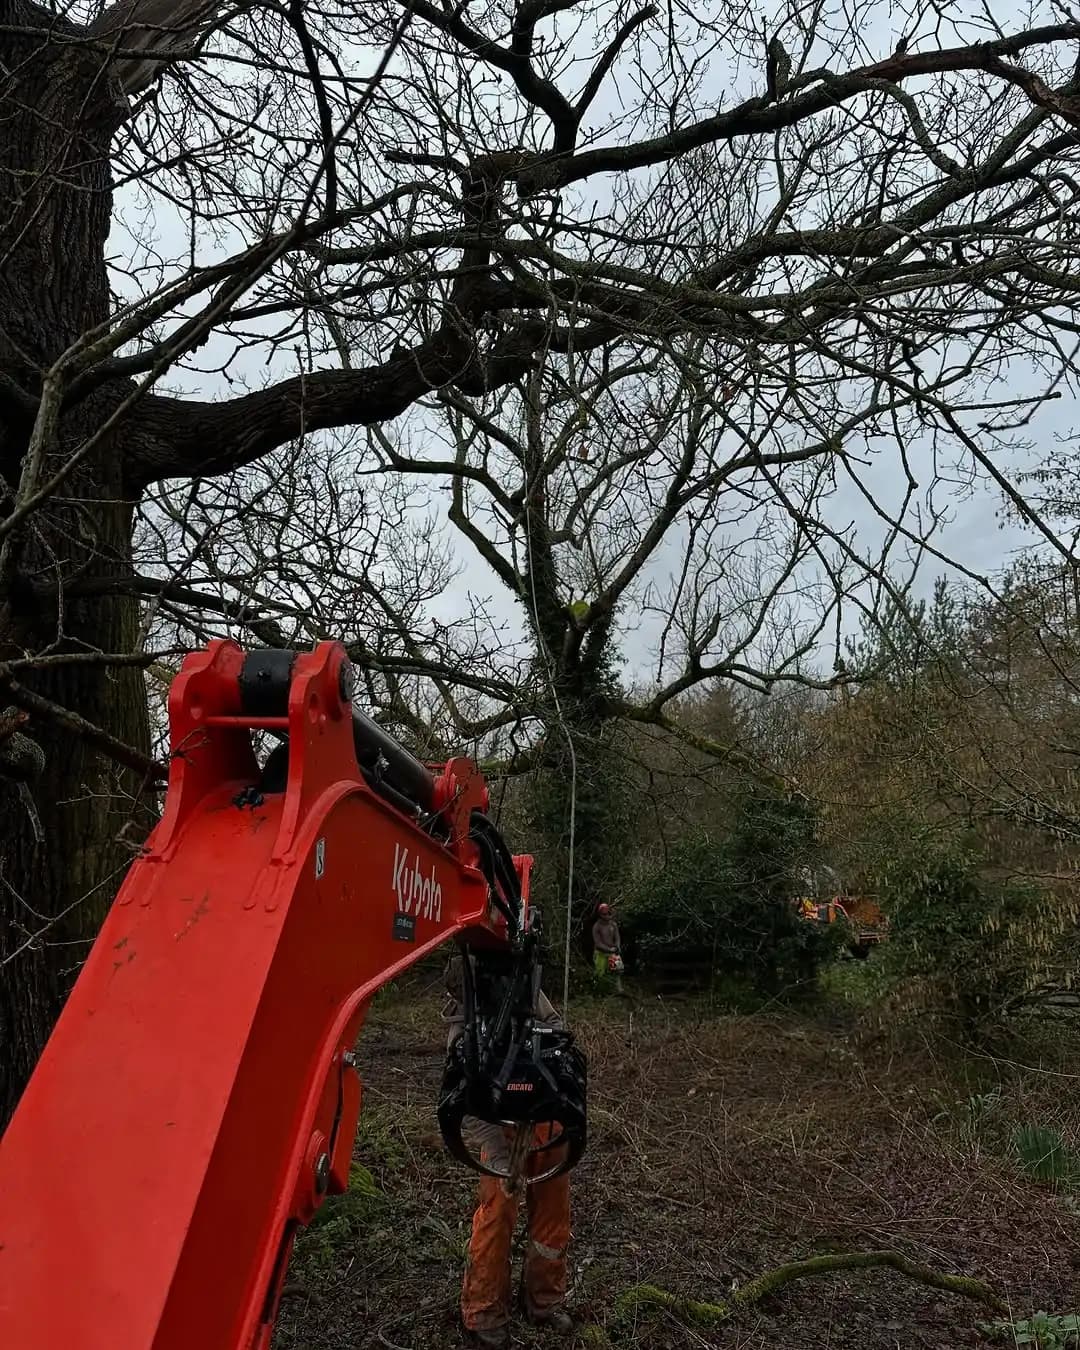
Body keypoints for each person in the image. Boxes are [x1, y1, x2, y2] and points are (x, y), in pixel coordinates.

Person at [444, 958, 574, 1349]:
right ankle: (483, 1309)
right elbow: (461, 1095)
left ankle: (545, 1300)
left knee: (553, 1214)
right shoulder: (465, 1019)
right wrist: (498, 1155)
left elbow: (559, 1041)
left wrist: (563, 1109)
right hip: (501, 1127)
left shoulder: (529, 986)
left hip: (547, 1119)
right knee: (497, 1213)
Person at [591, 903, 622, 989]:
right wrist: (609, 949)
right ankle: (599, 990)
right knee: (599, 973)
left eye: (608, 913)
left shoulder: (613, 924)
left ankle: (618, 989)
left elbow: (617, 937)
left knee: (618, 970)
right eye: (604, 914)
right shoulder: (596, 926)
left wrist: (617, 946)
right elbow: (598, 943)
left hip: (613, 952)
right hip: (600, 953)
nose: (607, 916)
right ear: (600, 915)